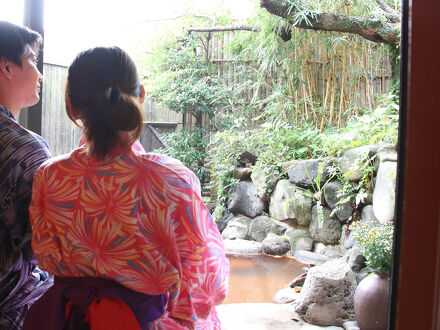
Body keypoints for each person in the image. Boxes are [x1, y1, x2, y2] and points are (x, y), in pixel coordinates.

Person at [27, 46, 229, 329]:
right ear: (141, 96)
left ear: (71, 106)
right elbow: (208, 282)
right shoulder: (170, 178)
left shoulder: (49, 176)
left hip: (67, 319)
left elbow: (43, 254)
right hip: (146, 322)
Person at [0, 21, 53, 329]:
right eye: (32, 60)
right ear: (7, 67)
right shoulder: (23, 147)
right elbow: (44, 248)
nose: (40, 74)